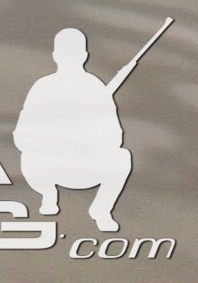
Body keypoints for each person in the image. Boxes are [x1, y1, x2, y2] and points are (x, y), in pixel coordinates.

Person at [15, 28, 136, 230]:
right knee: (28, 156)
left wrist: (86, 139)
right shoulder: (43, 87)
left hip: (86, 168)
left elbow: (115, 137)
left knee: (122, 157)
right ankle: (48, 194)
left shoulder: (95, 88)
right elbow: (21, 136)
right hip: (48, 166)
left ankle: (101, 209)